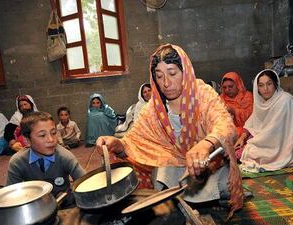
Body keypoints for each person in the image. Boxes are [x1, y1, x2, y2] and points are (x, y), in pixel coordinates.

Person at [96, 44, 243, 219]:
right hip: (173, 169)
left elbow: (226, 126)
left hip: (209, 166)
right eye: (159, 76)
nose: (166, 83)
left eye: (172, 73)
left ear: (185, 72)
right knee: (158, 174)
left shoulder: (202, 94)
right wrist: (117, 143)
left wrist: (206, 144)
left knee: (225, 187)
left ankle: (194, 201)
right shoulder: (155, 106)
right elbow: (134, 140)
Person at [6, 111, 85, 206]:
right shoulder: (18, 162)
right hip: (34, 209)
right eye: (42, 135)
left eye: (53, 133)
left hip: (65, 205)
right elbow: (11, 197)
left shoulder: (65, 156)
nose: (51, 140)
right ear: (27, 140)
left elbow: (85, 182)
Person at [234, 69, 293, 172]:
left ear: (276, 84)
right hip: (265, 140)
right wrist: (242, 138)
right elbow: (253, 122)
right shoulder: (262, 102)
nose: (265, 89)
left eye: (269, 84)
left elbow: (273, 131)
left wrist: (253, 143)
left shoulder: (285, 100)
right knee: (233, 147)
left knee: (238, 153)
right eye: (261, 85)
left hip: (280, 144)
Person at [220, 72, 253, 137]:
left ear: (238, 85)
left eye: (230, 86)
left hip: (247, 131)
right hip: (227, 132)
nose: (227, 90)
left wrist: (234, 111)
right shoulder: (221, 98)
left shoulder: (247, 96)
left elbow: (252, 117)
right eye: (224, 87)